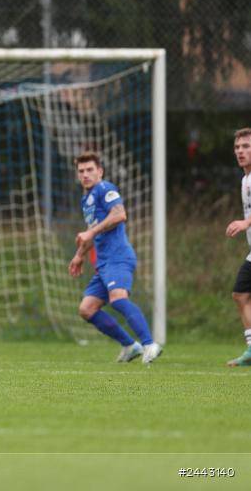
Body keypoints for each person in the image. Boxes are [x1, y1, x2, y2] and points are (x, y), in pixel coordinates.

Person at [69, 151, 162, 364]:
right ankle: (130, 345)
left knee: (118, 299)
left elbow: (120, 215)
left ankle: (149, 344)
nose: (85, 174)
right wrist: (79, 255)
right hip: (104, 263)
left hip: (118, 257)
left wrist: (90, 233)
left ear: (100, 171)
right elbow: (93, 230)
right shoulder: (87, 199)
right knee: (87, 309)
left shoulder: (105, 188)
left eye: (90, 169)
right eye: (81, 171)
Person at [224, 128, 251, 367]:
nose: (240, 151)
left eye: (246, 146)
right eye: (237, 147)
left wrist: (246, 222)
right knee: (241, 294)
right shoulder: (245, 179)